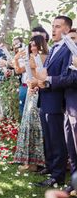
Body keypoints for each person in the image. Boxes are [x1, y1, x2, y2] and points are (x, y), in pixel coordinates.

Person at [33, 16, 73, 187]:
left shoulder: (69, 50)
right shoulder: (54, 48)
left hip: (57, 101)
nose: (53, 30)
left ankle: (57, 175)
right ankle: (50, 167)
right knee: (48, 138)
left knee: (57, 140)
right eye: (53, 26)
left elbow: (68, 77)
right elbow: (45, 73)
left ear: (67, 29)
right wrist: (38, 83)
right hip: (45, 98)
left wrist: (47, 80)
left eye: (57, 27)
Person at [40, 28, 77, 193]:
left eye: (74, 38)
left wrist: (48, 80)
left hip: (70, 104)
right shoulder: (67, 53)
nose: (72, 42)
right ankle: (74, 183)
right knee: (71, 148)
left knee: (70, 145)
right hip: (67, 105)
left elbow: (71, 78)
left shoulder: (72, 55)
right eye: (70, 39)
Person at [13, 35, 48, 172]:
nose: (33, 48)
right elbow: (18, 70)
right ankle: (29, 160)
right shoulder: (30, 57)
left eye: (35, 45)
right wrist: (16, 58)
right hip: (30, 92)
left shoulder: (45, 57)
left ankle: (36, 162)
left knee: (35, 125)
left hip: (39, 92)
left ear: (41, 45)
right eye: (31, 45)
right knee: (27, 123)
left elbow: (42, 75)